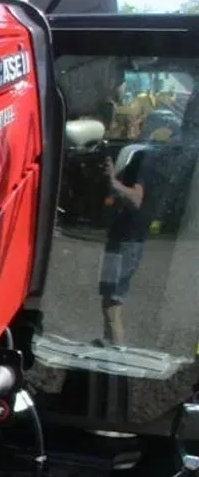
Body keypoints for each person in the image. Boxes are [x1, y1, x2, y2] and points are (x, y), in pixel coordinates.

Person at [99, 147, 147, 346]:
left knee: (113, 302)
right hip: (122, 238)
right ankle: (110, 345)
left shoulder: (144, 158)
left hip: (127, 241)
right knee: (109, 299)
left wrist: (114, 182)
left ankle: (116, 354)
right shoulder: (136, 155)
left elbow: (136, 200)